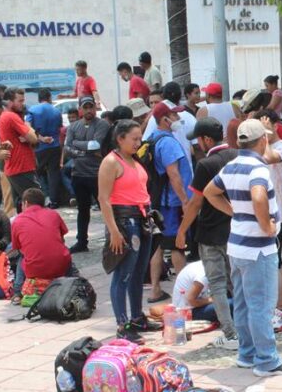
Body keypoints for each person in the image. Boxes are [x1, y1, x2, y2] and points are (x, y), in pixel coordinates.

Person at [205, 119, 282, 377]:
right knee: (261, 307)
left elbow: (209, 192)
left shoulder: (232, 165)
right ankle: (267, 360)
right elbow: (258, 196)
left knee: (245, 304)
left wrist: (233, 211)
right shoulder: (258, 168)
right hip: (259, 248)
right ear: (263, 141)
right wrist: (266, 225)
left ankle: (246, 354)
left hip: (237, 245)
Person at [175, 117, 239, 349]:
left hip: (211, 234)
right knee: (238, 281)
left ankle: (230, 334)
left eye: (199, 140)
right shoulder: (238, 156)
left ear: (207, 139)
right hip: (237, 231)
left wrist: (182, 232)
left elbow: (195, 203)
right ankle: (245, 327)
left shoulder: (206, 165)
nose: (198, 144)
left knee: (218, 284)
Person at [98, 119, 159, 344]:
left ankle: (137, 318)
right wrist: (114, 231)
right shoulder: (111, 162)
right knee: (123, 274)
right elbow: (103, 199)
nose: (138, 143)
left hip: (143, 218)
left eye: (139, 139)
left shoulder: (133, 160)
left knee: (138, 272)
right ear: (120, 138)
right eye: (134, 139)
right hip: (125, 221)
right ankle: (122, 325)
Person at [148, 102, 193, 303]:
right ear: (165, 119)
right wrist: (185, 200)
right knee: (177, 245)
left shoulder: (153, 138)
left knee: (159, 245)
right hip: (172, 202)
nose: (177, 119)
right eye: (174, 116)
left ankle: (156, 289)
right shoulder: (167, 142)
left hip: (161, 200)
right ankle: (183, 292)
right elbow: (173, 174)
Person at [253, 110, 282, 330]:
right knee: (262, 260)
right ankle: (270, 306)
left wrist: (265, 135)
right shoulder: (259, 146)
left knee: (275, 259)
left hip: (277, 211)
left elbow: (269, 157)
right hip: (259, 210)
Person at [10, 188, 72, 305]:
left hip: (35, 270)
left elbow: (17, 247)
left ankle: (17, 292)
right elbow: (61, 239)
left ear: (26, 203)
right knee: (63, 252)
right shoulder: (53, 214)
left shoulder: (18, 221)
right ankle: (76, 279)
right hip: (61, 266)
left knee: (21, 257)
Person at [63, 97, 110, 253]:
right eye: (86, 107)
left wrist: (76, 145)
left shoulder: (102, 124)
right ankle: (81, 241)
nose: (89, 110)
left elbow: (96, 145)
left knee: (106, 208)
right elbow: (67, 149)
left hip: (97, 174)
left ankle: (112, 237)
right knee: (83, 209)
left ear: (95, 108)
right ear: (80, 109)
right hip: (79, 174)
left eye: (91, 107)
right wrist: (83, 151)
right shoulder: (73, 127)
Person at [0, 88, 41, 213]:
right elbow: (33, 138)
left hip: (15, 167)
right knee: (36, 204)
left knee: (22, 206)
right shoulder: (11, 116)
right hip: (21, 167)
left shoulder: (5, 116)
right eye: (20, 101)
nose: (23, 104)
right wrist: (28, 128)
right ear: (10, 102)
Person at [143, 81, 198, 165]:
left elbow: (145, 143)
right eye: (174, 115)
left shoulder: (154, 118)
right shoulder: (190, 117)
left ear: (163, 97)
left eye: (156, 102)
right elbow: (197, 147)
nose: (178, 118)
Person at [29, 88, 63, 208]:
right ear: (49, 97)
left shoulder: (32, 110)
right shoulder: (56, 111)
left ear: (39, 98)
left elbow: (28, 129)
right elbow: (59, 128)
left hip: (39, 147)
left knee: (37, 173)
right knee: (54, 173)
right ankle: (54, 201)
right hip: (54, 145)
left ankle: (42, 198)